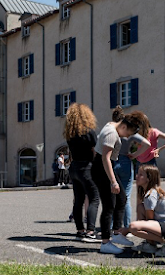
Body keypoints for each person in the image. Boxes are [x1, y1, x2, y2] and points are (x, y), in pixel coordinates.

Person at [91, 110, 146, 254]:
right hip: (101, 168)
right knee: (109, 205)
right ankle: (105, 243)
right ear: (124, 126)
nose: (128, 136)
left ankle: (116, 233)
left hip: (106, 167)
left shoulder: (112, 125)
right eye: (128, 133)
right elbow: (105, 158)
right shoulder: (111, 133)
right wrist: (113, 182)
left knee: (121, 199)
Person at [120, 165, 165, 257]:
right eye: (137, 174)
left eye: (140, 175)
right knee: (140, 208)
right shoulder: (151, 192)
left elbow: (149, 221)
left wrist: (127, 230)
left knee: (133, 227)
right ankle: (151, 245)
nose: (136, 176)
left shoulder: (151, 195)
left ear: (148, 179)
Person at [63, 103, 100, 242]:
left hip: (74, 168)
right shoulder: (89, 132)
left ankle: (80, 231)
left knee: (78, 200)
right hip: (87, 167)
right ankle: (91, 231)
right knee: (94, 198)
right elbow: (96, 148)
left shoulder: (69, 134)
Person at [111, 106, 151, 229]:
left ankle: (113, 226)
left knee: (113, 196)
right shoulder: (130, 134)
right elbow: (147, 144)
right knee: (126, 197)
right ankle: (127, 226)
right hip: (126, 162)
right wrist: (134, 155)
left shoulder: (112, 131)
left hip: (113, 161)